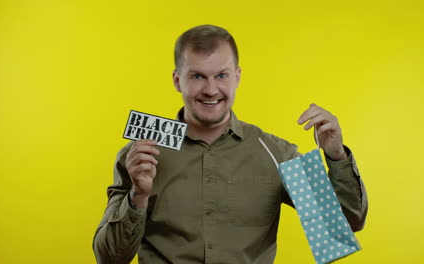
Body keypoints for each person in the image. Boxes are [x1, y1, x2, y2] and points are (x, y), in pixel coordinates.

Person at [93, 24, 368, 264]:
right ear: (178, 81)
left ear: (237, 77)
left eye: (221, 75)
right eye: (197, 76)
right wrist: (137, 196)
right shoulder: (141, 156)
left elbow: (344, 225)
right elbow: (109, 258)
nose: (211, 89)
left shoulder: (276, 154)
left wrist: (336, 155)